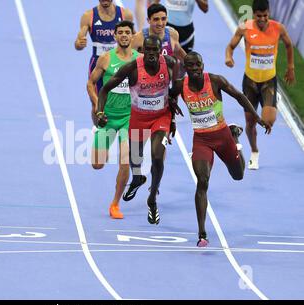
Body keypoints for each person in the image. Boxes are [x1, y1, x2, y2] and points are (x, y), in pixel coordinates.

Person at [169, 52, 272, 247]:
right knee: (202, 180)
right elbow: (169, 99)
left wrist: (256, 118)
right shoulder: (180, 85)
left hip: (223, 137)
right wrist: (172, 116)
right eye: (191, 65)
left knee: (238, 175)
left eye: (198, 64)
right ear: (186, 67)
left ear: (202, 64)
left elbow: (239, 96)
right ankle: (202, 233)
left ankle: (234, 136)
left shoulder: (215, 81)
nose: (195, 68)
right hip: (201, 140)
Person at [96, 35, 177, 225]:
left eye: (154, 50)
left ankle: (152, 199)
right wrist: (100, 111)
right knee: (135, 158)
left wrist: (172, 116)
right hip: (139, 118)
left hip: (160, 118)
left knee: (158, 156)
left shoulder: (170, 64)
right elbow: (105, 90)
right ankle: (137, 178)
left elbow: (177, 89)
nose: (150, 54)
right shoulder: (132, 68)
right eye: (147, 50)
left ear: (160, 52)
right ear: (142, 51)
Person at [225, 0, 295, 170]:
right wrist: (229, 57)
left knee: (268, 121)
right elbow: (231, 45)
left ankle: (271, 102)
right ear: (254, 14)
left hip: (268, 81)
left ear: (269, 13)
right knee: (250, 123)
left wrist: (291, 67)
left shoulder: (278, 28)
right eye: (259, 16)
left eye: (265, 15)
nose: (263, 19)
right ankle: (254, 151)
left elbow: (288, 45)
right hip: (250, 81)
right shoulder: (245, 27)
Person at [87, 21, 139, 219]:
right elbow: (91, 83)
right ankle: (103, 143)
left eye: (128, 32)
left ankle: (115, 204)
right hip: (107, 118)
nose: (124, 35)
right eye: (121, 33)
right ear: (115, 36)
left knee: (125, 162)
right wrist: (96, 106)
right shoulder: (106, 59)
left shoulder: (140, 60)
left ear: (133, 36)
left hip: (129, 118)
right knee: (97, 164)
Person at [75, 0, 133, 97]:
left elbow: (134, 38)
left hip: (120, 62)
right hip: (98, 63)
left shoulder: (126, 14)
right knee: (96, 103)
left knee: (122, 97)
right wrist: (79, 44)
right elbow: (78, 44)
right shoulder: (88, 16)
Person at [135, 0, 208, 53]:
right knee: (164, 64)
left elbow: (205, 8)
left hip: (186, 35)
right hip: (166, 32)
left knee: (184, 67)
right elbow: (155, 4)